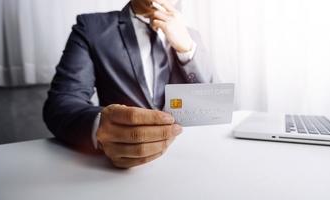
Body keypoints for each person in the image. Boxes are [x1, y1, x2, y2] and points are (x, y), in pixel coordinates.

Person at [43, 0, 216, 169]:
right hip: (120, 170)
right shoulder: (92, 28)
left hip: (191, 162)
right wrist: (100, 127)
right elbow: (61, 103)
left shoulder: (192, 36)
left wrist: (187, 50)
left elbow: (214, 106)